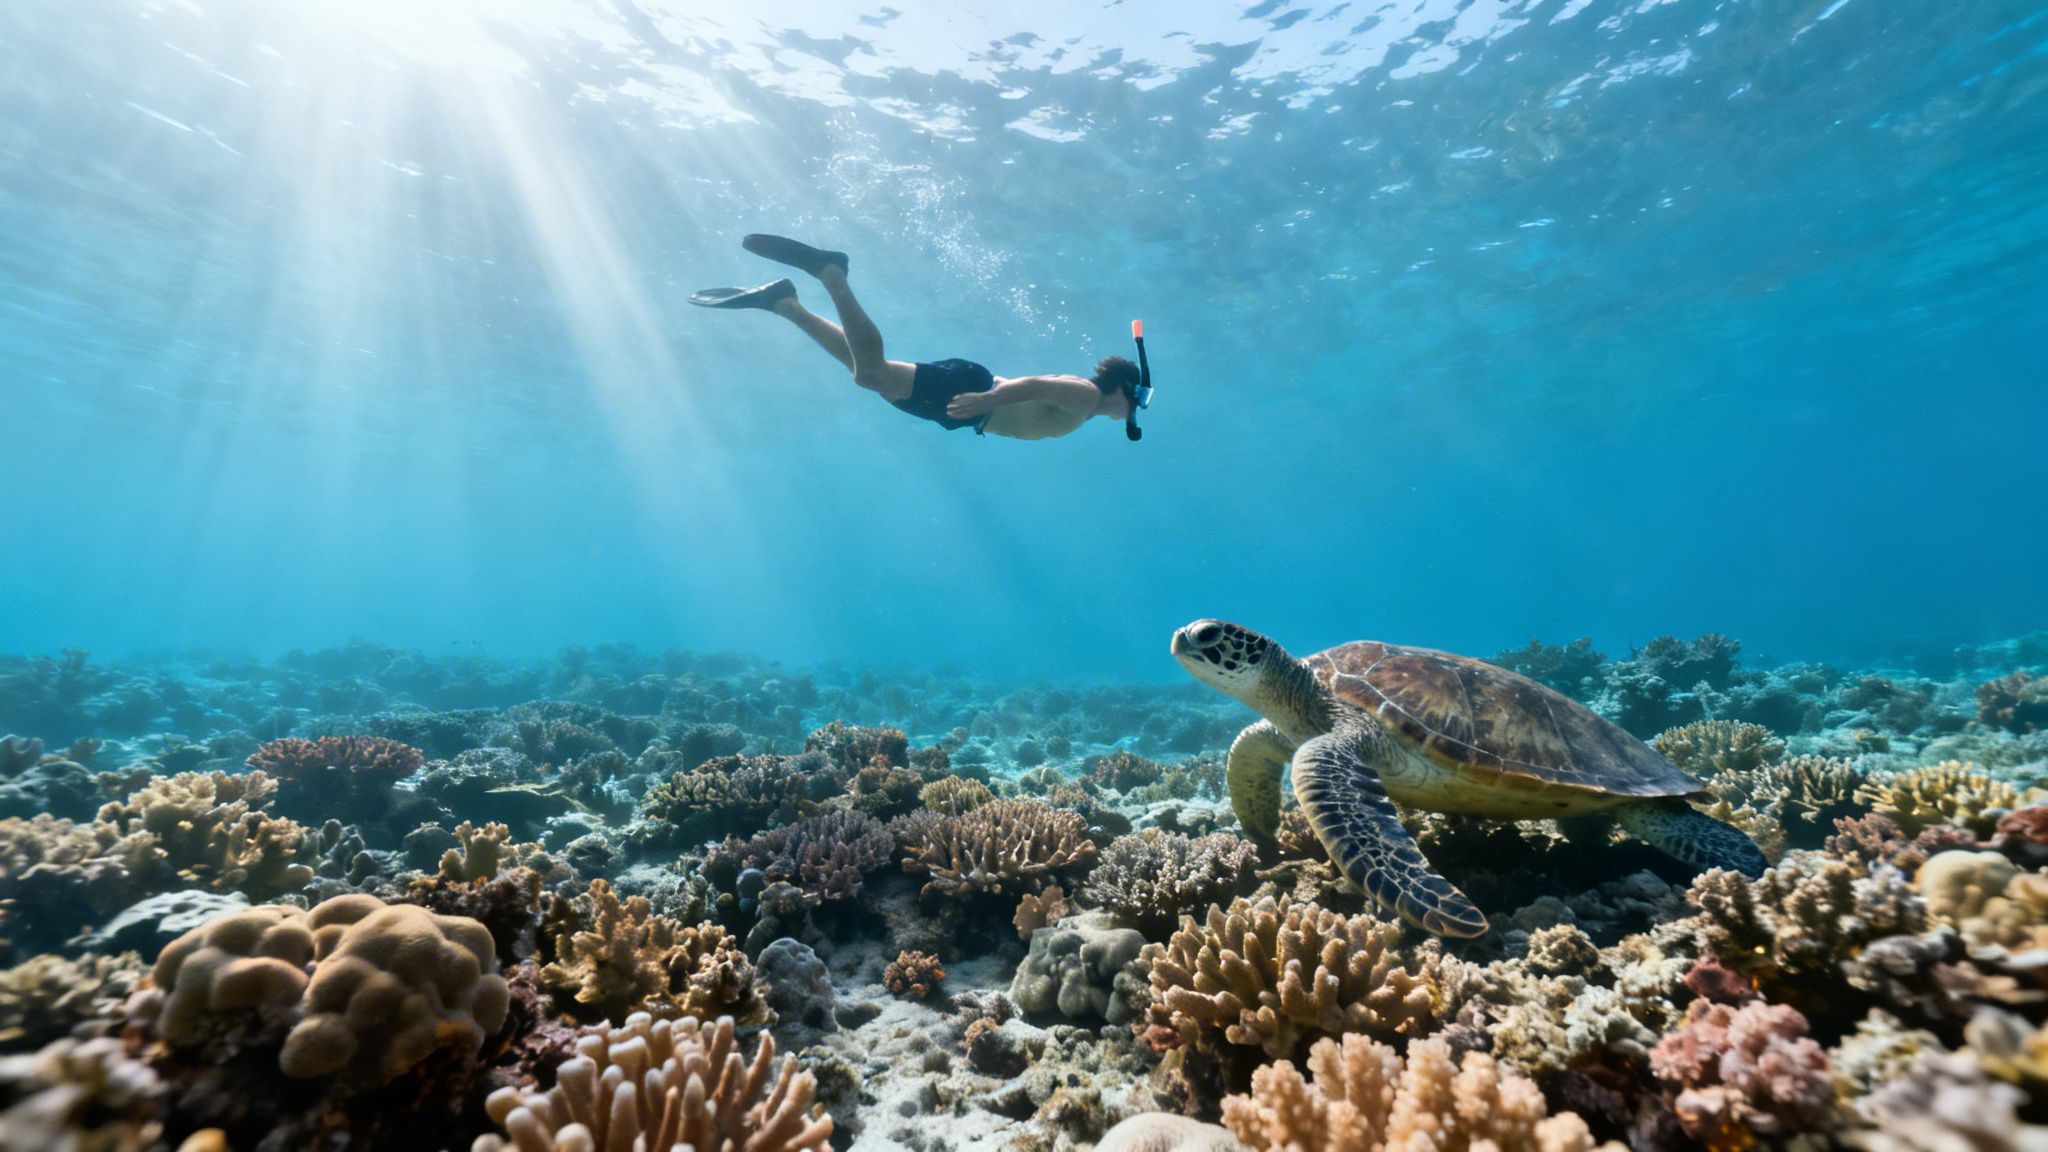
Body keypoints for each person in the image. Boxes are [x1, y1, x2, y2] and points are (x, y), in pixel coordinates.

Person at [690, 234, 1144, 441]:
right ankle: (832, 274)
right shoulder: (1085, 396)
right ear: (1123, 389)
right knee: (870, 375)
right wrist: (987, 402)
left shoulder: (1084, 408)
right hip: (973, 396)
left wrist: (982, 410)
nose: (1137, 411)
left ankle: (784, 303)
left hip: (965, 412)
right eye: (1140, 399)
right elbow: (1034, 387)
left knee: (867, 372)